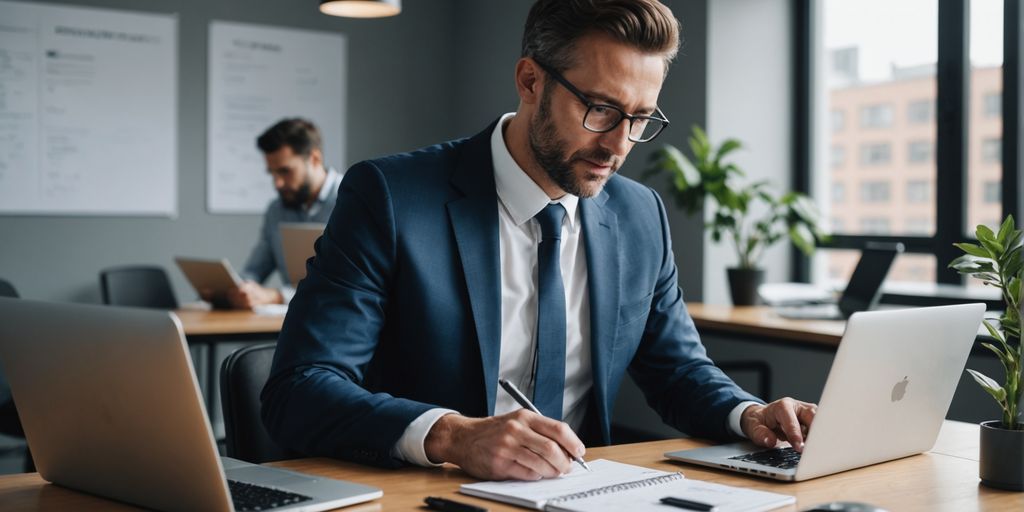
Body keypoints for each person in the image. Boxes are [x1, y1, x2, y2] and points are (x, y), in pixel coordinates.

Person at [262, 0, 816, 481]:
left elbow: (678, 369)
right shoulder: (390, 196)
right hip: (428, 491)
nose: (619, 145)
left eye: (640, 118)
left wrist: (748, 415)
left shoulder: (639, 214)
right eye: (599, 109)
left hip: (582, 491)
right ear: (531, 81)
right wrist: (453, 436)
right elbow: (300, 387)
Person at [226, 118, 344, 310]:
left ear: (314, 159)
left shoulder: (352, 199)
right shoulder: (277, 210)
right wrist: (238, 290)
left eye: (285, 171)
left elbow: (344, 282)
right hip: (295, 322)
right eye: (272, 173)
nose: (277, 183)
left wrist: (277, 296)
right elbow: (255, 269)